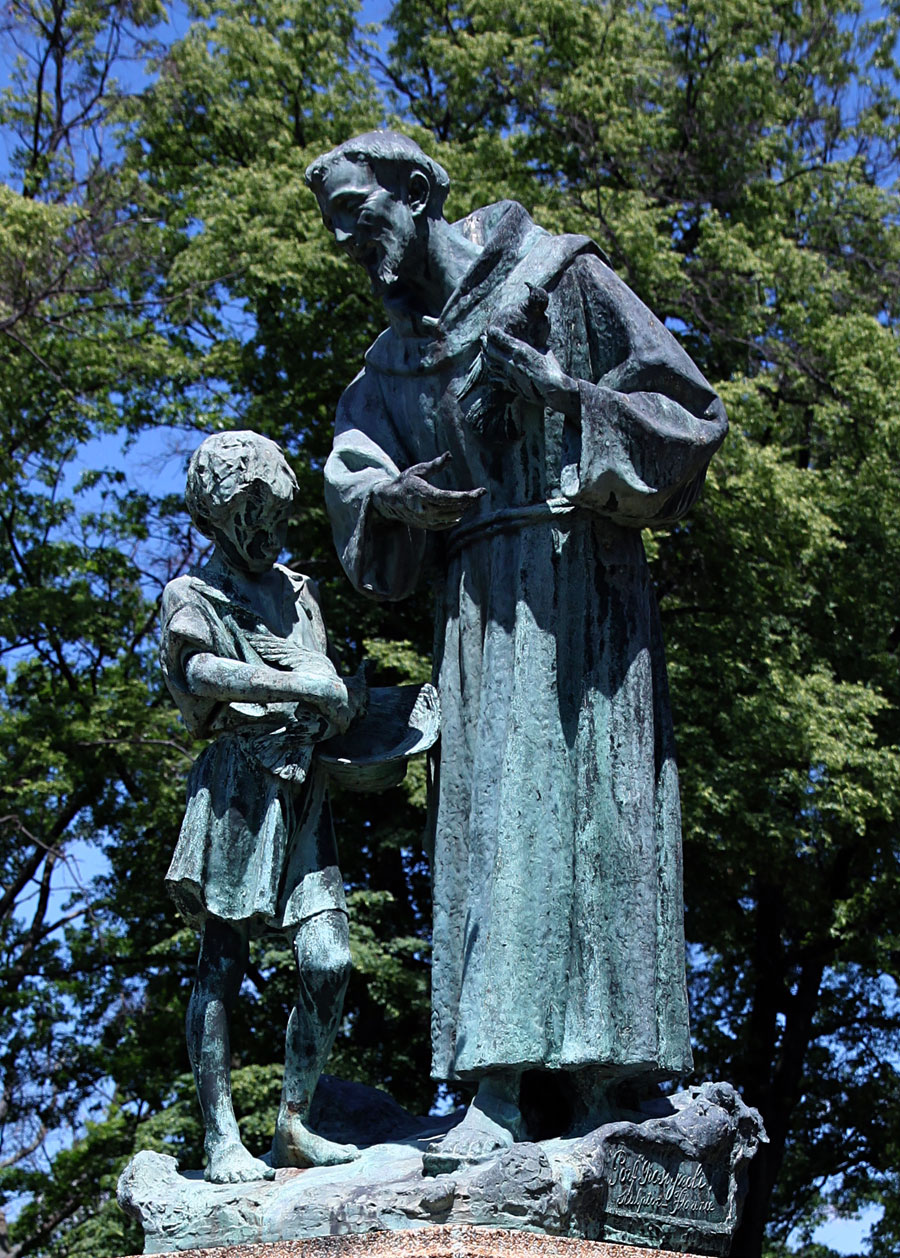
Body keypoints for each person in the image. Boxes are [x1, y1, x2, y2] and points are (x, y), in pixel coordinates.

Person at [306, 133, 729, 1170]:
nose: (350, 243)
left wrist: (563, 398)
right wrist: (394, 498)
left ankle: (620, 1081)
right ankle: (492, 1086)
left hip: (590, 587)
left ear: (418, 194)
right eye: (335, 229)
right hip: (481, 609)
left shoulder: (562, 277)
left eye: (360, 214)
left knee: (609, 821)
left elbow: (689, 413)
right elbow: (351, 478)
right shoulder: (391, 362)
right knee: (496, 828)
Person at [160, 430, 365, 1183]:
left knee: (329, 960)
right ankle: (220, 1138)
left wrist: (346, 703)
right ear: (215, 515)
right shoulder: (193, 594)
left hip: (302, 790)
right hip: (237, 791)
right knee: (221, 963)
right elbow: (200, 670)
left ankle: (293, 1124)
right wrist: (298, 686)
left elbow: (327, 679)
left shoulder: (298, 593)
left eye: (275, 512)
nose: (267, 529)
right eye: (251, 513)